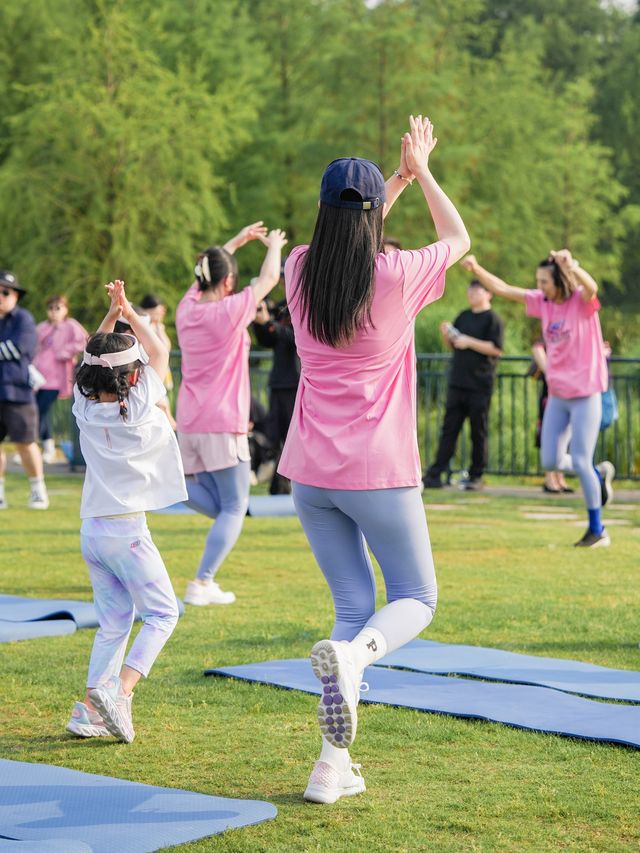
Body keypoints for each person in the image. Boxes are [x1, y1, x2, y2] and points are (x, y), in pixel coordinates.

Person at [277, 115, 470, 803]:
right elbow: (458, 239)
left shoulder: (299, 268)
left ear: (323, 212)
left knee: (353, 601)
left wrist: (396, 181)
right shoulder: (395, 274)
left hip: (310, 475)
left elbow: (349, 226)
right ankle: (357, 657)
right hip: (378, 472)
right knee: (415, 597)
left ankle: (331, 766)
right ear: (374, 219)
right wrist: (423, 170)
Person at [68, 280, 186, 743]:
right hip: (127, 535)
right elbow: (159, 350)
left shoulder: (82, 407)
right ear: (132, 375)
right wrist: (129, 312)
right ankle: (120, 692)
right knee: (163, 614)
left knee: (115, 623)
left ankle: (88, 710)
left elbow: (90, 356)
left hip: (92, 533)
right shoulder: (137, 405)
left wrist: (111, 315)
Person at [461, 250, 614, 547]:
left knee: (580, 459)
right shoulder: (542, 303)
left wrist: (573, 265)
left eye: (544, 281)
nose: (540, 286)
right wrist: (477, 268)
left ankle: (598, 529)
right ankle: (599, 473)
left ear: (559, 279)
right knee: (550, 459)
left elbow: (592, 287)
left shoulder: (580, 302)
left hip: (585, 393)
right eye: (538, 281)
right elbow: (503, 289)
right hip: (558, 394)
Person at [176, 222, 287, 606]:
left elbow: (205, 273)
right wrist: (273, 245)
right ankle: (202, 582)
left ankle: (157, 482)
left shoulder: (186, 309)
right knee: (236, 506)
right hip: (223, 423)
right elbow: (271, 277)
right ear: (228, 284)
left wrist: (234, 244)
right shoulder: (228, 311)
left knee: (222, 504)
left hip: (190, 422)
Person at [423, 279, 503, 490]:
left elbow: (496, 348)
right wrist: (447, 335)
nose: (472, 294)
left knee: (478, 431)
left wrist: (469, 342)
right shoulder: (464, 316)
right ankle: (436, 473)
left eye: (477, 290)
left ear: (488, 294)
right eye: (471, 290)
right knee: (449, 429)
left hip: (480, 384)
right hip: (458, 381)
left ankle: (476, 475)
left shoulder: (493, 319)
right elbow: (453, 345)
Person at [0, 271, 49, 509]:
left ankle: (38, 490)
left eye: (6, 292)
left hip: (18, 392)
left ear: (15, 295)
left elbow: (21, 348)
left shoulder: (24, 320)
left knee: (26, 442)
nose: (1, 296)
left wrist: (7, 350)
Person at [33, 295, 88, 463]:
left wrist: (66, 351)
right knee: (37, 411)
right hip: (38, 377)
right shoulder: (42, 327)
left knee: (39, 411)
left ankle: (44, 448)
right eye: (51, 308)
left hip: (56, 378)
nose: (54, 312)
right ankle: (45, 447)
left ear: (65, 309)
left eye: (58, 308)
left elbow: (85, 341)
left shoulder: (70, 326)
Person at [253, 298, 300, 494]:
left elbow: (297, 337)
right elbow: (267, 340)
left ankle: (292, 483)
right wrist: (259, 323)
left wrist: (271, 325)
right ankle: (279, 484)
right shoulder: (281, 306)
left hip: (295, 382)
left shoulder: (303, 302)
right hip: (278, 382)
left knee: (293, 436)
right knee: (274, 436)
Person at [530, 340, 573, 494]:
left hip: (567, 392)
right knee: (549, 436)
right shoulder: (549, 338)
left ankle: (559, 477)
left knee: (565, 437)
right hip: (551, 394)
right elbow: (537, 348)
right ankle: (550, 478)